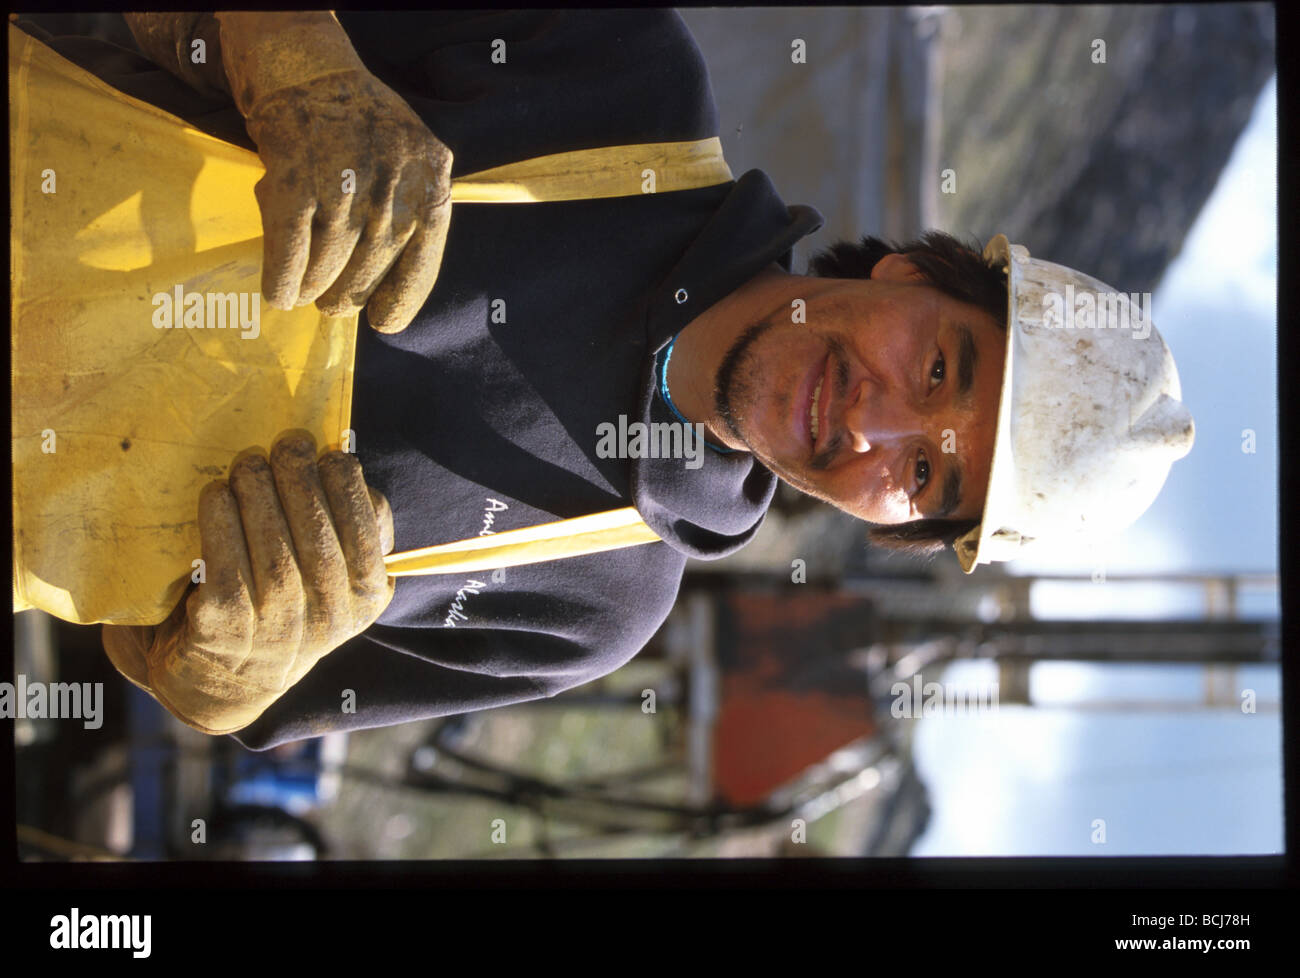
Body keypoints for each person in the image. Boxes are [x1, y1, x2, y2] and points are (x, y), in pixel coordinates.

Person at [16, 10, 1192, 748]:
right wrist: (296, 65)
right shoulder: (619, 75)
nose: (879, 421)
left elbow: (183, 688)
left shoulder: (590, 610)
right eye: (939, 364)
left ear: (892, 525)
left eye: (927, 474)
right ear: (909, 270)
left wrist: (227, 665)